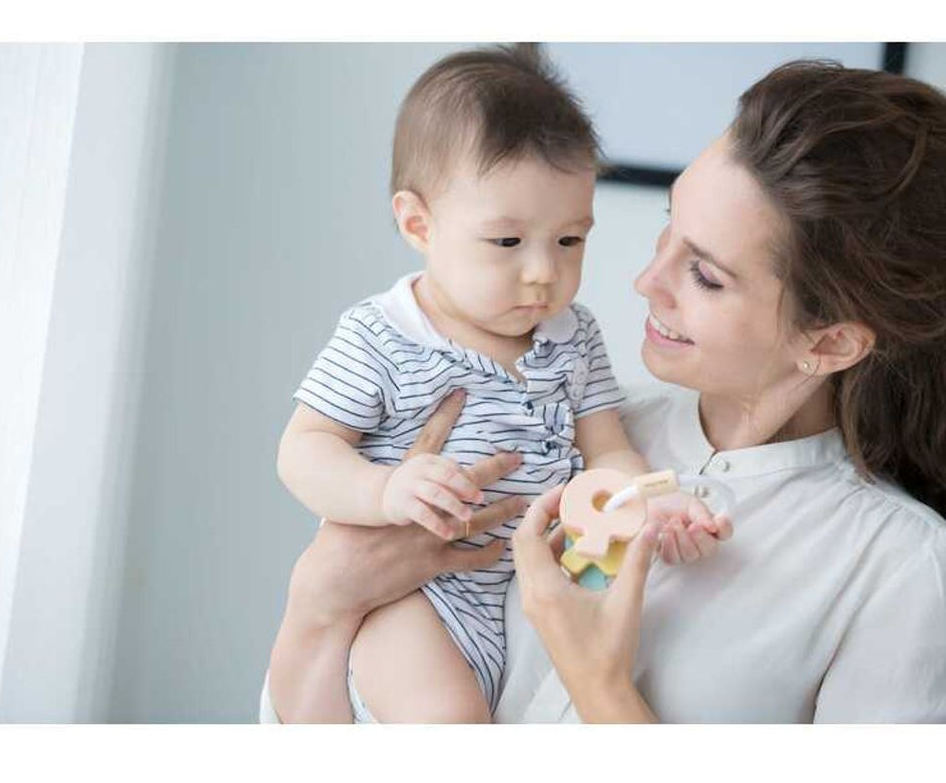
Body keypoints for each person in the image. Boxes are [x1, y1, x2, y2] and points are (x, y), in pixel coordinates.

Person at [265, 57, 946, 724]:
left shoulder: (897, 570)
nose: (645, 280)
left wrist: (600, 684)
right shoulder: (566, 430)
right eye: (667, 227)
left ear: (829, 342)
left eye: (705, 274)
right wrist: (319, 605)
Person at [276, 46, 725, 723]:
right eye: (508, 244)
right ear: (417, 224)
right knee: (450, 722)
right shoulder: (385, 334)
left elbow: (606, 449)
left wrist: (647, 503)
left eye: (570, 240)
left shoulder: (573, 337)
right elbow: (304, 449)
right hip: (411, 601)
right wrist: (385, 489)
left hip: (523, 595)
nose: (544, 272)